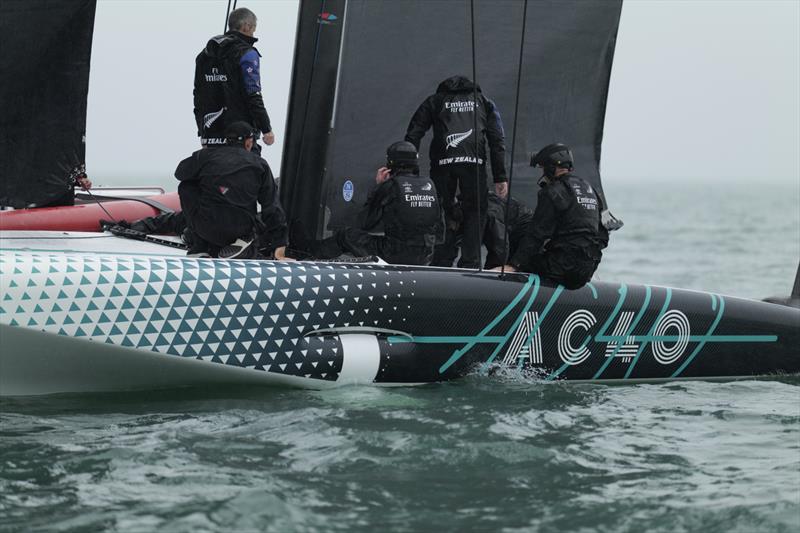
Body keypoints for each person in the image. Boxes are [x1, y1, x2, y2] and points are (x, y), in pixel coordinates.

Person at [405, 75, 507, 268]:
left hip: (443, 163)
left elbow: (414, 132)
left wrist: (408, 170)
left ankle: (441, 260)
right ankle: (471, 262)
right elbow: (497, 141)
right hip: (474, 163)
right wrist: (500, 177)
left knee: (442, 210)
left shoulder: (435, 100)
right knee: (476, 211)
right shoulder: (484, 102)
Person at [495, 143, 609, 289]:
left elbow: (536, 235)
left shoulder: (552, 192)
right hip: (586, 272)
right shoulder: (590, 190)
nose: (542, 173)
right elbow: (603, 237)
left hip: (561, 270)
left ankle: (501, 283)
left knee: (520, 234)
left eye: (543, 168)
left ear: (550, 168)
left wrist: (514, 265)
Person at [309, 141, 443, 266]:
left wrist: (378, 187)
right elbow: (440, 233)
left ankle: (308, 255)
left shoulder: (390, 186)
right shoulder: (430, 185)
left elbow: (364, 223)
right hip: (426, 255)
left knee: (346, 236)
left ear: (390, 162)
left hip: (394, 254)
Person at [175, 121, 289, 259]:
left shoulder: (206, 156)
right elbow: (271, 206)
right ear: (249, 143)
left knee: (186, 186)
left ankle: (200, 246)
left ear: (226, 141)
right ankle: (246, 243)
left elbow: (179, 174)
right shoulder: (261, 165)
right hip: (240, 229)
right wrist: (280, 245)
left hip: (206, 227)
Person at [193, 7, 275, 150]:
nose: (253, 33)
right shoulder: (247, 54)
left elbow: (198, 96)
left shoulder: (204, 56)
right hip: (240, 138)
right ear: (246, 26)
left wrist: (202, 131)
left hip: (211, 139)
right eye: (253, 29)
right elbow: (253, 95)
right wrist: (266, 129)